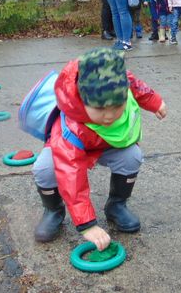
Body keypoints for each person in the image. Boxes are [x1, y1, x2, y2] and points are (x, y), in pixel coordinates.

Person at [31, 48, 167, 251]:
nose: (109, 115)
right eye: (100, 109)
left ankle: (116, 205)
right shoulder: (68, 125)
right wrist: (86, 224)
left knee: (132, 156)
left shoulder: (118, 80)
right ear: (82, 99)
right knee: (45, 168)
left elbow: (135, 84)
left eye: (117, 106)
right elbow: (71, 172)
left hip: (104, 143)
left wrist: (155, 102)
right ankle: (53, 211)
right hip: (73, 145)